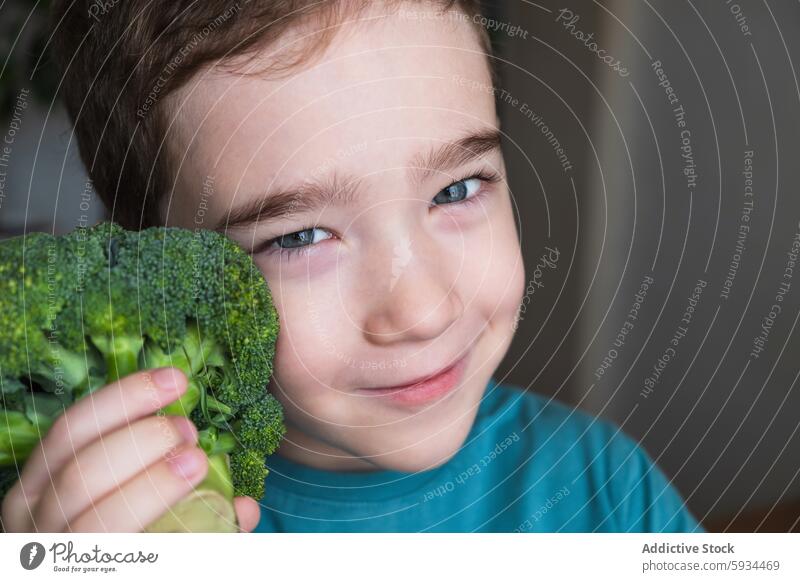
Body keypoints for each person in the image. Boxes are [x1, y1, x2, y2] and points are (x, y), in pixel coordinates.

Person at [1, 0, 701, 532]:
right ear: (159, 265)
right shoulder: (101, 523)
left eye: (455, 190)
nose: (423, 309)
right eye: (302, 236)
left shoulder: (609, 489)